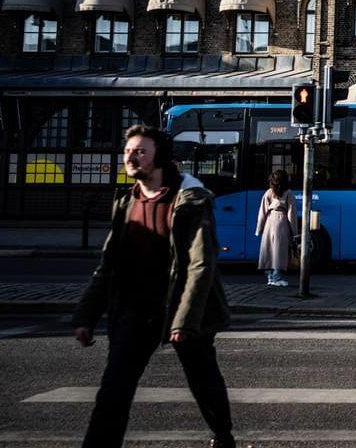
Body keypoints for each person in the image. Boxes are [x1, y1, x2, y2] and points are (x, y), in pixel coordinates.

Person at [72, 124, 235, 448]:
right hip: (134, 310)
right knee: (113, 391)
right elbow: (109, 265)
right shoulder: (126, 203)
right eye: (128, 151)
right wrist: (86, 315)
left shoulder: (189, 201)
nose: (132, 157)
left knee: (203, 380)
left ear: (159, 157)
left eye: (141, 151)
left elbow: (199, 266)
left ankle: (222, 434)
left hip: (179, 309)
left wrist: (185, 320)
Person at [255, 169, 296, 287]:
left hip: (269, 222)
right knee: (280, 251)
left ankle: (269, 277)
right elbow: (291, 214)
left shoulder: (268, 192)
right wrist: (294, 231)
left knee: (268, 250)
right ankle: (277, 277)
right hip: (281, 221)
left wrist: (259, 229)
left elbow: (262, 212)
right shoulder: (288, 193)